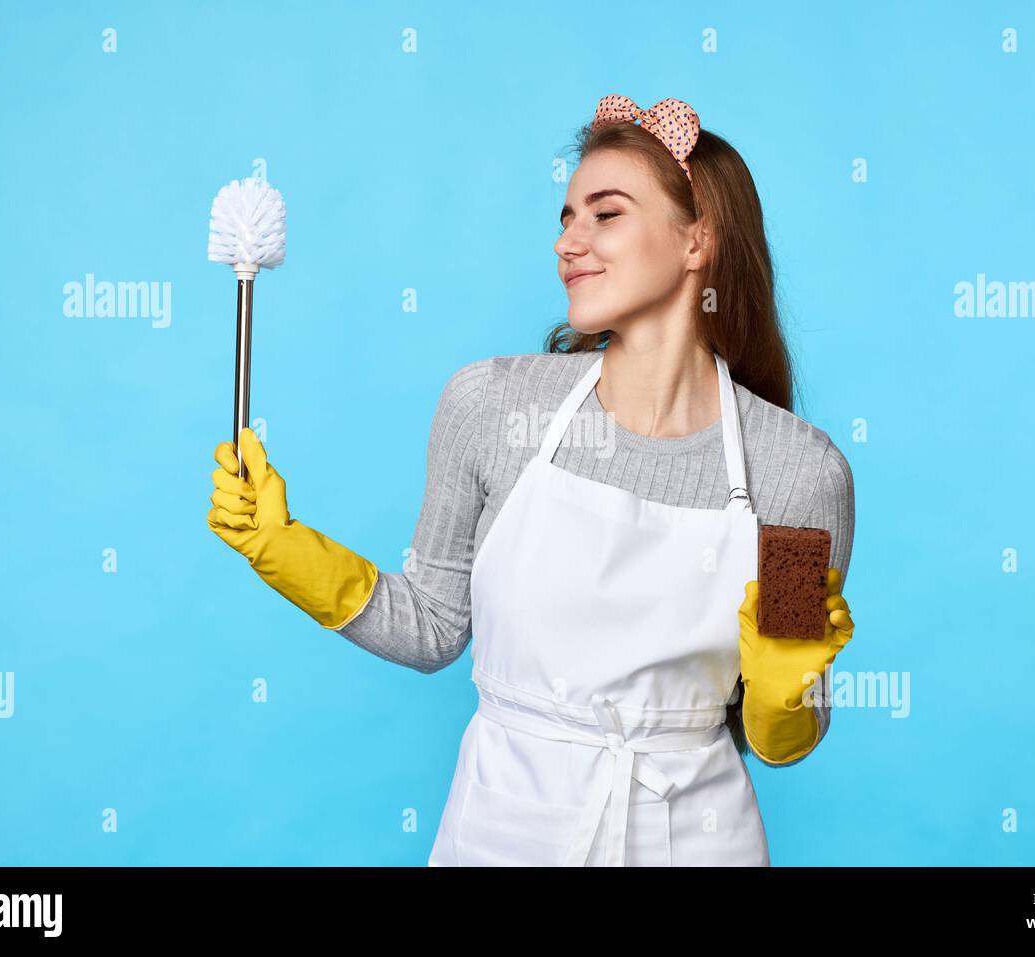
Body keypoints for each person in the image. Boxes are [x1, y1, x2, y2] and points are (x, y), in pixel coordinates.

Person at [207, 94, 856, 866]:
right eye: (565, 217)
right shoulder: (490, 405)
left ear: (698, 238)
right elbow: (431, 627)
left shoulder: (796, 470)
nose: (569, 243)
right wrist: (281, 546)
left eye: (605, 215)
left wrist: (788, 693)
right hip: (501, 836)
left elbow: (777, 739)